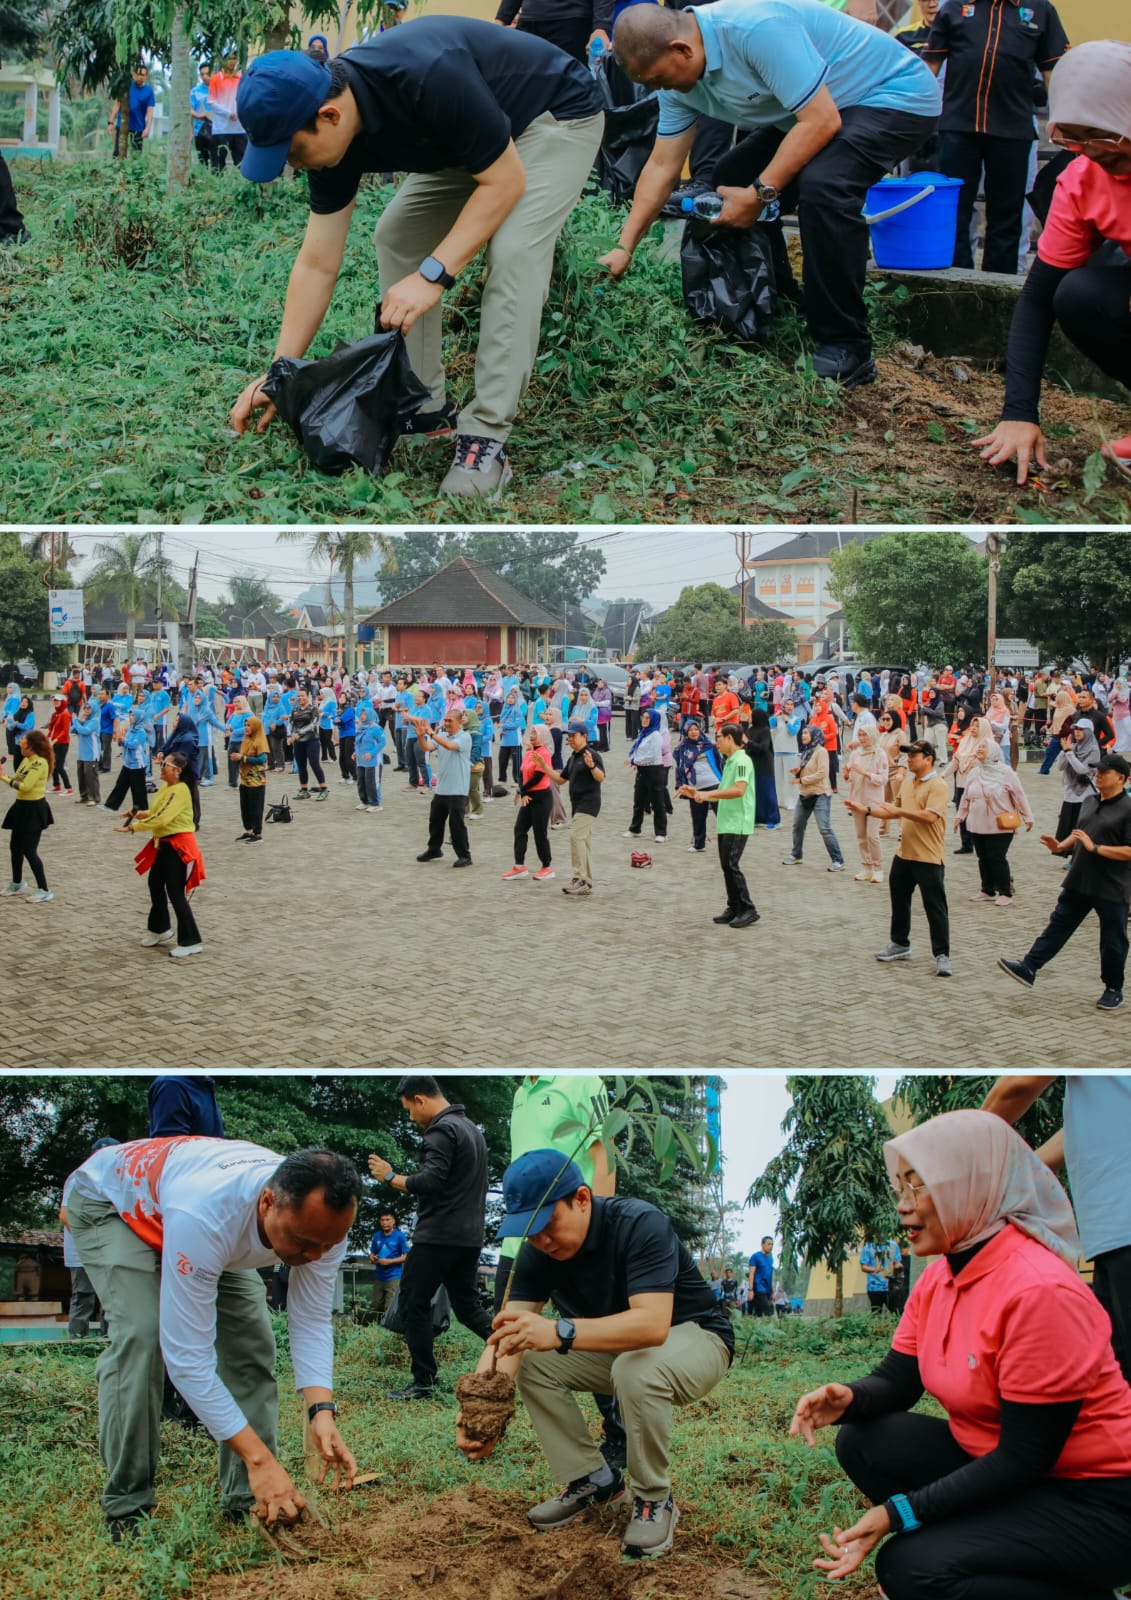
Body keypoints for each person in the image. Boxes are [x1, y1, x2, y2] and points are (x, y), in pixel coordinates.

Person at [230, 34, 604, 498]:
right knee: (398, 234)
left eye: (293, 153)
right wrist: (278, 375)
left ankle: (486, 437)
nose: (294, 166)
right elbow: (317, 263)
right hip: (471, 137)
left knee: (513, 252)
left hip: (552, 116)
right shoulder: (331, 139)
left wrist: (434, 274)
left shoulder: (428, 73)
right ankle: (426, 409)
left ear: (330, 116)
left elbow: (504, 182)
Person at [790, 1109, 1131, 1600]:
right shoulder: (939, 1278)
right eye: (900, 1188)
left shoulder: (1037, 1291)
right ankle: (990, 1553)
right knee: (863, 1438)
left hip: (1094, 1501)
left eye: (920, 1187)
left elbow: (1023, 1458)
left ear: (973, 1186)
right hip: (1008, 1469)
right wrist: (850, 1398)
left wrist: (897, 1512)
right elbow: (899, 1381)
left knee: (911, 1568)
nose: (903, 1207)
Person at [605, 0, 940, 389]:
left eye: (661, 80)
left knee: (825, 187)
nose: (661, 90)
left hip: (890, 95)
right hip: (818, 108)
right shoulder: (674, 78)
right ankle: (783, 301)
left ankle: (847, 344)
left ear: (682, 49)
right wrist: (624, 246)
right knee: (731, 176)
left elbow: (822, 120)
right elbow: (662, 167)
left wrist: (761, 195)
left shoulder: (754, 29)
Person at [66, 1139, 361, 1539]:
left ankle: (249, 1497)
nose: (316, 1256)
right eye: (305, 1242)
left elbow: (309, 1319)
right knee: (143, 1335)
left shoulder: (323, 1224)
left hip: (190, 1217)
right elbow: (187, 1360)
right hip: (114, 1206)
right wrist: (260, 1459)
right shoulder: (207, 1215)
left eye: (327, 1244)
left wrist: (320, 1412)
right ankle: (128, 1504)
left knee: (251, 1344)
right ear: (267, 1203)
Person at [457, 1149, 733, 1562]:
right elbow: (505, 1337)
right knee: (528, 1358)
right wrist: (481, 1409)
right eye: (530, 1232)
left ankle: (653, 1498)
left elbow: (652, 1325)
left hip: (696, 1338)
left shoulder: (639, 1224)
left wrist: (558, 1330)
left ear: (582, 1199)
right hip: (623, 1353)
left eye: (548, 1225)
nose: (541, 1241)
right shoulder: (539, 1251)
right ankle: (593, 1481)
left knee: (635, 1368)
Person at [974, 42, 1131, 483]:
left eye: (1102, 136)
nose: (1091, 151)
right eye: (1073, 138)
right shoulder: (1083, 177)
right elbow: (1039, 299)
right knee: (1080, 295)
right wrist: (1018, 412)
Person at [983, 1073, 1131, 1382]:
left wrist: (956, 1148)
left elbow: (1020, 1084)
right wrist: (1024, 1173)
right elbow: (1085, 1130)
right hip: (1111, 1238)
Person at [367, 1077, 495, 1399]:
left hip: (437, 1236)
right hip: (469, 1238)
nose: (411, 1117)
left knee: (413, 1304)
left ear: (420, 1099)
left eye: (409, 1109)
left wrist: (389, 1176)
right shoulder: (471, 1131)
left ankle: (423, 1382)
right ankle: (517, 1352)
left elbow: (430, 1181)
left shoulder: (440, 1131)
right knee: (467, 1307)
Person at [923, 0, 1067, 275]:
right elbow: (930, 65)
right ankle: (955, 281)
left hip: (1013, 128)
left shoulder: (1040, 10)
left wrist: (1061, 119)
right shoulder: (955, 6)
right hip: (958, 126)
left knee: (1007, 215)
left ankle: (997, 285)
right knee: (954, 211)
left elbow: (1052, 71)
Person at [998, 751, 1131, 1011]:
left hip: (1111, 885)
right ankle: (1029, 967)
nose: (1099, 775)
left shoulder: (1128, 809)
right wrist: (1060, 845)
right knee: (1058, 925)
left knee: (1113, 940)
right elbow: (1080, 833)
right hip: (1080, 880)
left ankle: (1113, 988)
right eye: (1098, 770)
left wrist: (1096, 849)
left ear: (1123, 778)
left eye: (1105, 772)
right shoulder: (1090, 800)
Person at [855, 739, 951, 977]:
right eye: (907, 756)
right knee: (899, 900)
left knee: (935, 907)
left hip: (928, 857)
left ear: (928, 759)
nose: (908, 760)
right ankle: (900, 943)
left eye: (914, 756)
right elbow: (891, 809)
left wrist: (898, 812)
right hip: (904, 854)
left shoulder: (938, 785)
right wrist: (865, 810)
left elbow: (929, 816)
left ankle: (942, 954)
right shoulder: (908, 783)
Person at [120, 752, 205, 958]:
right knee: (155, 884)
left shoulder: (180, 790)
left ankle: (191, 940)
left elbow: (163, 818)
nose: (160, 766)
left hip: (178, 847)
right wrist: (140, 813)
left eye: (164, 764)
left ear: (177, 771)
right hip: (164, 844)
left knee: (176, 892)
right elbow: (158, 811)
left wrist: (135, 828)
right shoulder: (168, 788)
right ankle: (160, 929)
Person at [681, 723, 759, 929]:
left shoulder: (742, 760)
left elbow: (739, 789)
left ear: (730, 739)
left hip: (738, 821)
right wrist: (697, 794)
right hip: (726, 820)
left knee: (732, 865)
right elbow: (723, 789)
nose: (716, 742)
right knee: (726, 865)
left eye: (719, 737)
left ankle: (748, 908)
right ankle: (733, 906)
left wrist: (708, 794)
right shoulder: (730, 760)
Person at [548, 720, 606, 896]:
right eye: (569, 736)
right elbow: (560, 779)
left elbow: (601, 777)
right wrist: (544, 767)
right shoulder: (573, 758)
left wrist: (592, 766)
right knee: (584, 841)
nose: (571, 739)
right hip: (577, 804)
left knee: (576, 837)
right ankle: (585, 881)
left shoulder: (592, 755)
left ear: (584, 736)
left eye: (574, 736)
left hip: (589, 803)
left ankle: (580, 877)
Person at [782, 720, 846, 871]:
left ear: (814, 735)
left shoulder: (821, 751)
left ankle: (838, 860)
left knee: (824, 828)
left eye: (806, 732)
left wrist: (801, 779)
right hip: (805, 793)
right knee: (797, 825)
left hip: (820, 794)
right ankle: (796, 854)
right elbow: (809, 768)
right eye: (803, 732)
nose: (803, 735)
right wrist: (798, 771)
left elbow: (822, 773)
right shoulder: (806, 751)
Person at [0, 728, 55, 903]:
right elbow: (18, 778)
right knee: (15, 846)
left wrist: (4, 778)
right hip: (20, 807)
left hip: (34, 809)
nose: (21, 744)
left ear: (31, 746)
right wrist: (6, 776)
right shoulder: (26, 760)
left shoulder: (40, 763)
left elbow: (25, 786)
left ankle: (44, 889)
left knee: (29, 850)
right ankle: (17, 882)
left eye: (24, 742)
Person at [415, 707, 473, 868]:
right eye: (445, 720)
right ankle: (434, 849)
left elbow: (449, 746)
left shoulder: (464, 737)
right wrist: (421, 737)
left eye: (450, 720)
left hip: (458, 789)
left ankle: (465, 855)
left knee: (456, 825)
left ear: (459, 721)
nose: (446, 723)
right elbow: (426, 748)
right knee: (435, 821)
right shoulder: (441, 735)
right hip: (442, 788)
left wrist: (431, 733)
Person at [503, 724, 557, 882]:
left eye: (535, 733)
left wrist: (521, 791)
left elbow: (538, 777)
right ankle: (519, 866)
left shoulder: (544, 753)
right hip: (529, 796)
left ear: (543, 735)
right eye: (531, 732)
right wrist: (523, 791)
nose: (532, 735)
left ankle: (547, 867)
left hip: (542, 797)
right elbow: (521, 774)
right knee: (519, 829)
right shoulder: (529, 752)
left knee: (540, 833)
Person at [844, 723, 889, 884]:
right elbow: (850, 778)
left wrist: (866, 773)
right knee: (861, 836)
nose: (862, 738)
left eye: (865, 735)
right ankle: (866, 867)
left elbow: (883, 779)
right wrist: (847, 773)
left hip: (874, 801)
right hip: (857, 799)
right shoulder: (856, 754)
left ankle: (878, 868)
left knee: (872, 836)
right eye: (860, 735)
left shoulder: (879, 754)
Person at [673, 717, 721, 855]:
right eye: (691, 730)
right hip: (695, 787)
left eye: (696, 729)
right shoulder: (681, 749)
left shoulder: (709, 745)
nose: (694, 732)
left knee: (721, 815)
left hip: (714, 784)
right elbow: (680, 768)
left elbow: (720, 763)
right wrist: (680, 785)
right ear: (685, 731)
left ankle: (727, 840)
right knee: (698, 816)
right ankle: (699, 843)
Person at [624, 707, 669, 843]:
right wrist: (636, 762)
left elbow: (652, 755)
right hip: (642, 770)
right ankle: (635, 828)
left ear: (654, 720)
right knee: (638, 801)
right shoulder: (643, 733)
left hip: (654, 770)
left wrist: (634, 760)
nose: (644, 720)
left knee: (657, 803)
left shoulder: (655, 735)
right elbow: (640, 751)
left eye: (647, 718)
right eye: (643, 717)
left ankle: (661, 832)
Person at [1056, 718, 1101, 842]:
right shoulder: (1073, 746)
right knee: (1067, 829)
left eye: (1081, 729)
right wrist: (1064, 751)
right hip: (1070, 793)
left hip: (1085, 795)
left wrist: (1069, 752)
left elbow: (1082, 770)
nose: (1077, 732)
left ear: (1089, 732)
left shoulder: (1094, 750)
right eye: (1075, 729)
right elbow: (1060, 766)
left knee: (1081, 830)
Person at [287, 688, 330, 801]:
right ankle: (304, 790)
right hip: (298, 742)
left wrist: (299, 733)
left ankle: (324, 788)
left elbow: (313, 725)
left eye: (303, 696)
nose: (300, 698)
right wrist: (288, 735)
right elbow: (290, 723)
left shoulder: (313, 709)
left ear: (307, 697)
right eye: (299, 696)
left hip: (312, 740)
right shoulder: (295, 710)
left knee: (314, 764)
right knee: (301, 766)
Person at [368, 1211, 410, 1321]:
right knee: (376, 1305)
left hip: (394, 1276)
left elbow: (406, 1256)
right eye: (382, 1220)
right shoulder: (377, 1236)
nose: (385, 1222)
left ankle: (388, 1330)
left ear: (393, 1222)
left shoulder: (400, 1236)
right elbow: (372, 1253)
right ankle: (375, 1329)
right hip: (379, 1276)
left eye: (387, 1220)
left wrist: (390, 1261)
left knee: (389, 1306)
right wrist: (372, 1258)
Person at [235, 716, 269, 841]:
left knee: (256, 807)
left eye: (249, 725)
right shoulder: (246, 739)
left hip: (256, 780)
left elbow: (261, 759)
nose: (246, 728)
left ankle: (257, 833)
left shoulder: (259, 741)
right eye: (245, 725)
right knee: (245, 807)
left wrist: (242, 758)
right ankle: (248, 830)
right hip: (245, 779)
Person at [109, 65, 155, 156]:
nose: (140, 77)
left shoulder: (149, 92)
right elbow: (117, 105)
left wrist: (147, 128)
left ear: (146, 76)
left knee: (136, 154)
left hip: (138, 127)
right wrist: (110, 122)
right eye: (138, 74)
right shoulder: (127, 86)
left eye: (143, 75)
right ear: (134, 75)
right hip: (122, 124)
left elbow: (150, 112)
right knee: (118, 153)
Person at [73, 697, 103, 807]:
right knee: (81, 775)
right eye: (85, 708)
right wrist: (79, 720)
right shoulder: (83, 720)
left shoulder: (94, 722)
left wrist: (76, 721)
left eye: (89, 708)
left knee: (91, 776)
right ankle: (84, 796)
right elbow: (72, 730)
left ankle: (94, 797)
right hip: (82, 753)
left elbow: (84, 731)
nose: (86, 710)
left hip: (91, 753)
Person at [858, 1240, 898, 1313]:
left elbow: (897, 1263)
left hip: (891, 1287)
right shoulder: (868, 1247)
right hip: (874, 1287)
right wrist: (875, 1269)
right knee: (876, 1314)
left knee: (895, 1313)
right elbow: (863, 1267)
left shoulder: (893, 1245)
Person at [47, 694, 73, 796]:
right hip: (54, 742)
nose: (56, 702)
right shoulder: (55, 714)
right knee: (53, 764)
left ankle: (69, 788)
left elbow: (65, 731)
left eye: (58, 701)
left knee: (59, 766)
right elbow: (52, 729)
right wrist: (47, 738)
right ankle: (56, 785)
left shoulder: (65, 714)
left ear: (63, 702)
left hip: (62, 743)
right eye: (54, 701)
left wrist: (55, 740)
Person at [191, 61, 213, 166]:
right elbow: (189, 109)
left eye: (207, 73)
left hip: (217, 130)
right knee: (202, 161)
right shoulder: (195, 91)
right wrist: (200, 116)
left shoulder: (218, 88)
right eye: (202, 74)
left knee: (216, 161)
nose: (204, 77)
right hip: (199, 130)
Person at [748, 1237, 774, 1317]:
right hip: (759, 1288)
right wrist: (751, 1290)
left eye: (772, 1244)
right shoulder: (755, 1256)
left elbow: (770, 1276)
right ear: (762, 1245)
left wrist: (773, 1292)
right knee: (768, 1312)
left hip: (767, 1289)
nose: (771, 1246)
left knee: (759, 1314)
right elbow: (751, 1273)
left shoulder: (769, 1259)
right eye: (769, 1244)